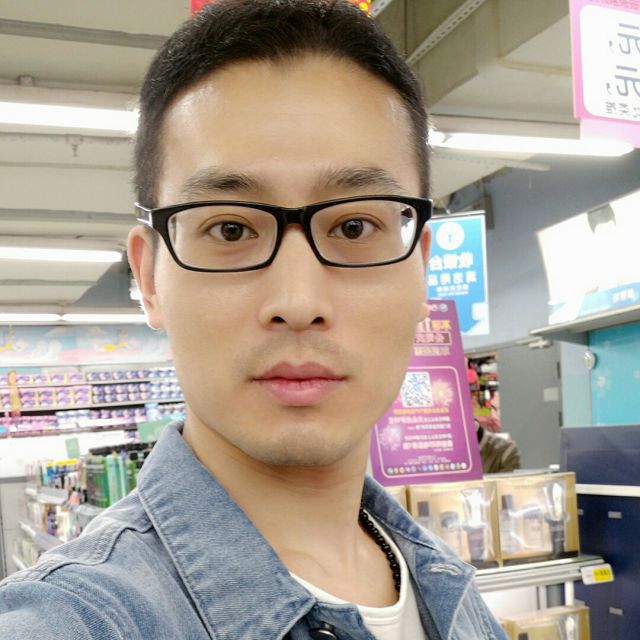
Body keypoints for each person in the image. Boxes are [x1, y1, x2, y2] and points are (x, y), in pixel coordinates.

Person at [0, 2, 507, 638]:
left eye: (355, 226)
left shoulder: (450, 589)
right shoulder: (72, 620)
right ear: (150, 278)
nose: (298, 300)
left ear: (421, 267)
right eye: (230, 229)